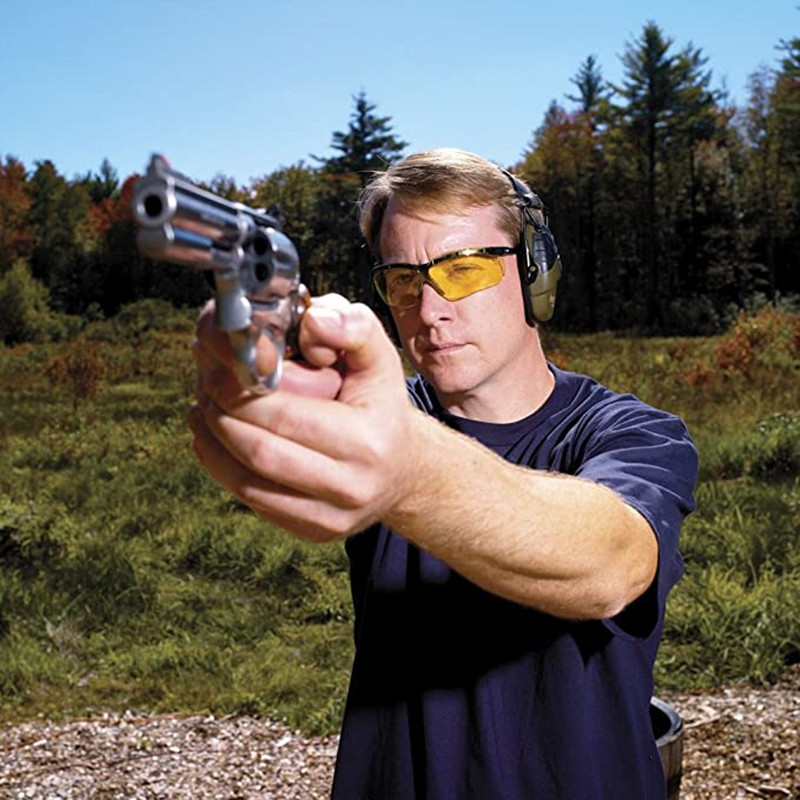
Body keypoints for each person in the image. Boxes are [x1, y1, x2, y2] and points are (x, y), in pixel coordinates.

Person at [189, 148, 698, 799]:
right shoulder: (377, 413)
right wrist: (266, 388)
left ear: (535, 273)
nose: (429, 309)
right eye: (404, 281)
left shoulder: (635, 432)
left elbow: (611, 563)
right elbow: (314, 429)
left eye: (464, 269)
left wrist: (405, 469)